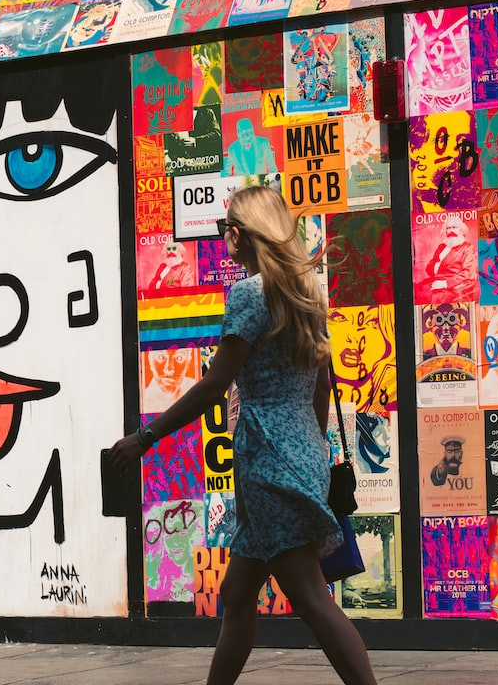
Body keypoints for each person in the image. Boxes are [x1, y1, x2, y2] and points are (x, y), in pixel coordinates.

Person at [108, 186, 378, 685]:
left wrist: (145, 438)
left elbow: (216, 384)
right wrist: (310, 454)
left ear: (241, 233)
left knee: (314, 602)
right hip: (298, 453)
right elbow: (322, 385)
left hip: (268, 460)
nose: (224, 236)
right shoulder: (305, 292)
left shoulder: (251, 294)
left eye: (226, 227)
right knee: (236, 596)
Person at [420, 215, 477, 303]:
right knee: (417, 292)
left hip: (451, 287)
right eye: (448, 228)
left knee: (433, 297)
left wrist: (444, 284)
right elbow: (429, 268)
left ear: (461, 230)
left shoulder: (467, 248)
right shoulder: (442, 247)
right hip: (434, 281)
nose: (451, 231)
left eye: (454, 227)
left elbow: (467, 273)